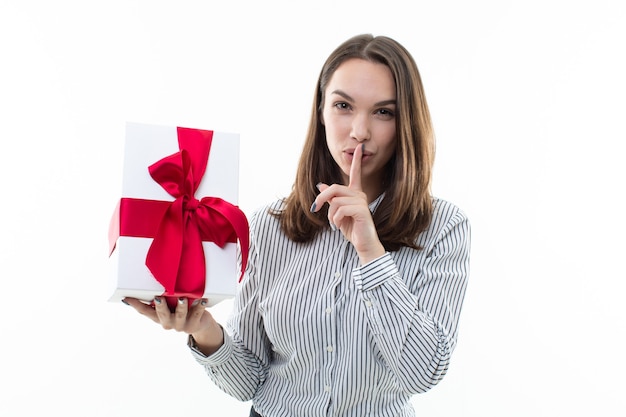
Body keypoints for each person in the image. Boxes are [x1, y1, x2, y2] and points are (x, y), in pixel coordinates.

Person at [125, 33, 471, 417]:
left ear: (406, 121)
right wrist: (204, 329)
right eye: (343, 105)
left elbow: (423, 373)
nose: (359, 130)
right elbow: (251, 382)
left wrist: (370, 252)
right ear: (321, 111)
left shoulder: (443, 227)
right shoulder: (271, 225)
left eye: (383, 112)